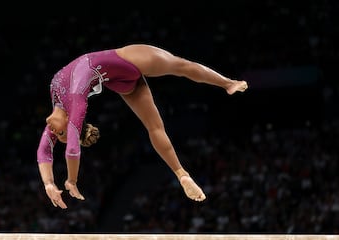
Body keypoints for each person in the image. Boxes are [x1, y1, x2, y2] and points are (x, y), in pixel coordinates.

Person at [37, 44, 248, 209]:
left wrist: (64, 181)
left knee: (181, 66)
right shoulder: (73, 107)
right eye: (60, 133)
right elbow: (62, 149)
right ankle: (182, 174)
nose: (53, 132)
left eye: (58, 134)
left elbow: (57, 149)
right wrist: (55, 183)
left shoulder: (64, 104)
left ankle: (228, 83)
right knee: (155, 127)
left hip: (121, 64)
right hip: (120, 72)